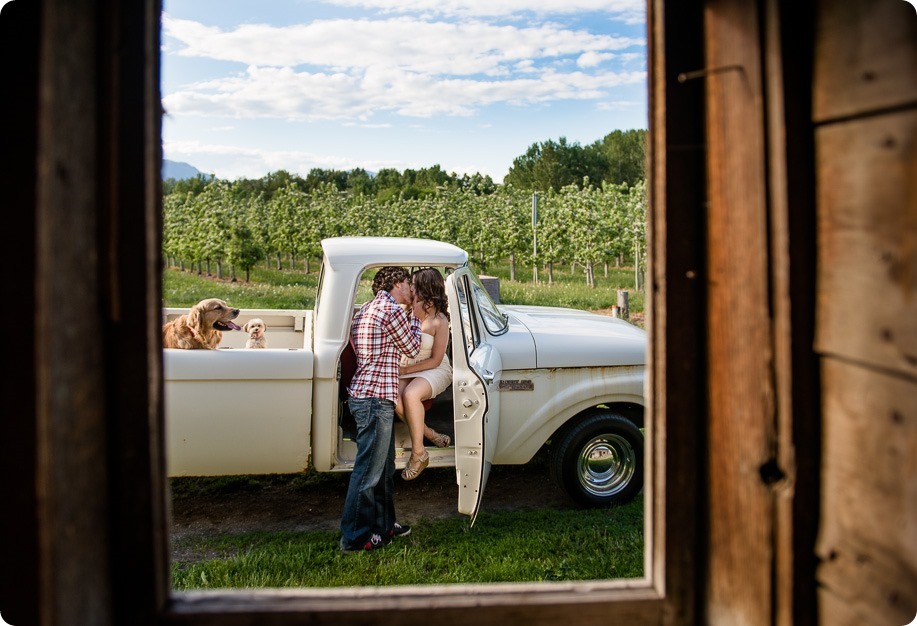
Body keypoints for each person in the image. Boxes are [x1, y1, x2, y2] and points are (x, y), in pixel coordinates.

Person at [339, 266, 421, 553]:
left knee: (383, 468)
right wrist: (418, 318)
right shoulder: (392, 310)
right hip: (375, 398)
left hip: (368, 395)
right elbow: (411, 347)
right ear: (397, 283)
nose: (412, 289)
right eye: (409, 283)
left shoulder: (367, 309)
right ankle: (355, 537)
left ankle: (384, 525)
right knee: (368, 473)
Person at [395, 267, 453, 481]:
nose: (410, 287)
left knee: (411, 394)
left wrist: (405, 371)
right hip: (409, 365)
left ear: (425, 288)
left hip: (434, 368)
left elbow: (435, 360)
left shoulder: (440, 320)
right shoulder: (406, 309)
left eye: (413, 284)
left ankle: (419, 454)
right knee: (394, 396)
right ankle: (430, 434)